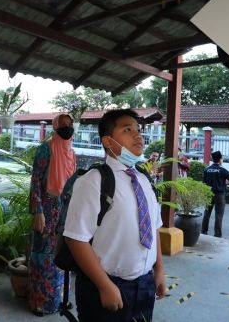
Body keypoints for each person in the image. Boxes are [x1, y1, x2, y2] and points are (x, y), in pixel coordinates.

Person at [64, 109, 166, 321]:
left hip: (145, 285)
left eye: (138, 130)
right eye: (127, 130)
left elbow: (153, 227)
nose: (138, 135)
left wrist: (159, 270)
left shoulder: (144, 180)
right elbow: (75, 238)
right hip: (107, 285)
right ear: (108, 142)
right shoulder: (94, 181)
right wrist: (104, 285)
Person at [28, 114, 77, 316]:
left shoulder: (71, 153)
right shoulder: (46, 148)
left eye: (70, 124)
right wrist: (38, 211)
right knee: (43, 256)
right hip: (47, 208)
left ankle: (57, 300)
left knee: (60, 255)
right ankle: (39, 302)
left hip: (65, 210)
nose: (68, 128)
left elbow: (73, 183)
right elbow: (35, 182)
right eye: (63, 125)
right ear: (55, 127)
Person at [201, 151, 229, 238]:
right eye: (222, 158)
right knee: (219, 215)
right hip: (219, 195)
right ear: (220, 159)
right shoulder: (223, 170)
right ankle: (217, 234)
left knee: (207, 213)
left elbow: (204, 183)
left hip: (209, 194)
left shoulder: (207, 169)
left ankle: (203, 231)